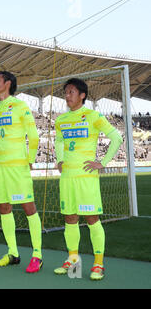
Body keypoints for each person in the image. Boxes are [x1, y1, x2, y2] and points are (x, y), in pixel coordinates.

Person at [53, 78, 123, 281]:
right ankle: (72, 260)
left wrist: (103, 162)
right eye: (65, 92)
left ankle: (98, 264)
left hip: (86, 178)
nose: (67, 95)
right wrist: (60, 160)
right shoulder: (61, 120)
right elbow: (58, 141)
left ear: (82, 95)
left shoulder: (94, 116)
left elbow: (116, 138)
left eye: (71, 92)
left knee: (92, 220)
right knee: (70, 219)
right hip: (67, 177)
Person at [0, 71, 43, 273]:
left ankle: (37, 255)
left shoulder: (21, 106)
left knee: (28, 207)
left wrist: (30, 160)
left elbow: (34, 136)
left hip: (18, 166)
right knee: (4, 207)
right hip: (0, 166)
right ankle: (13, 253)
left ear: (8, 83)